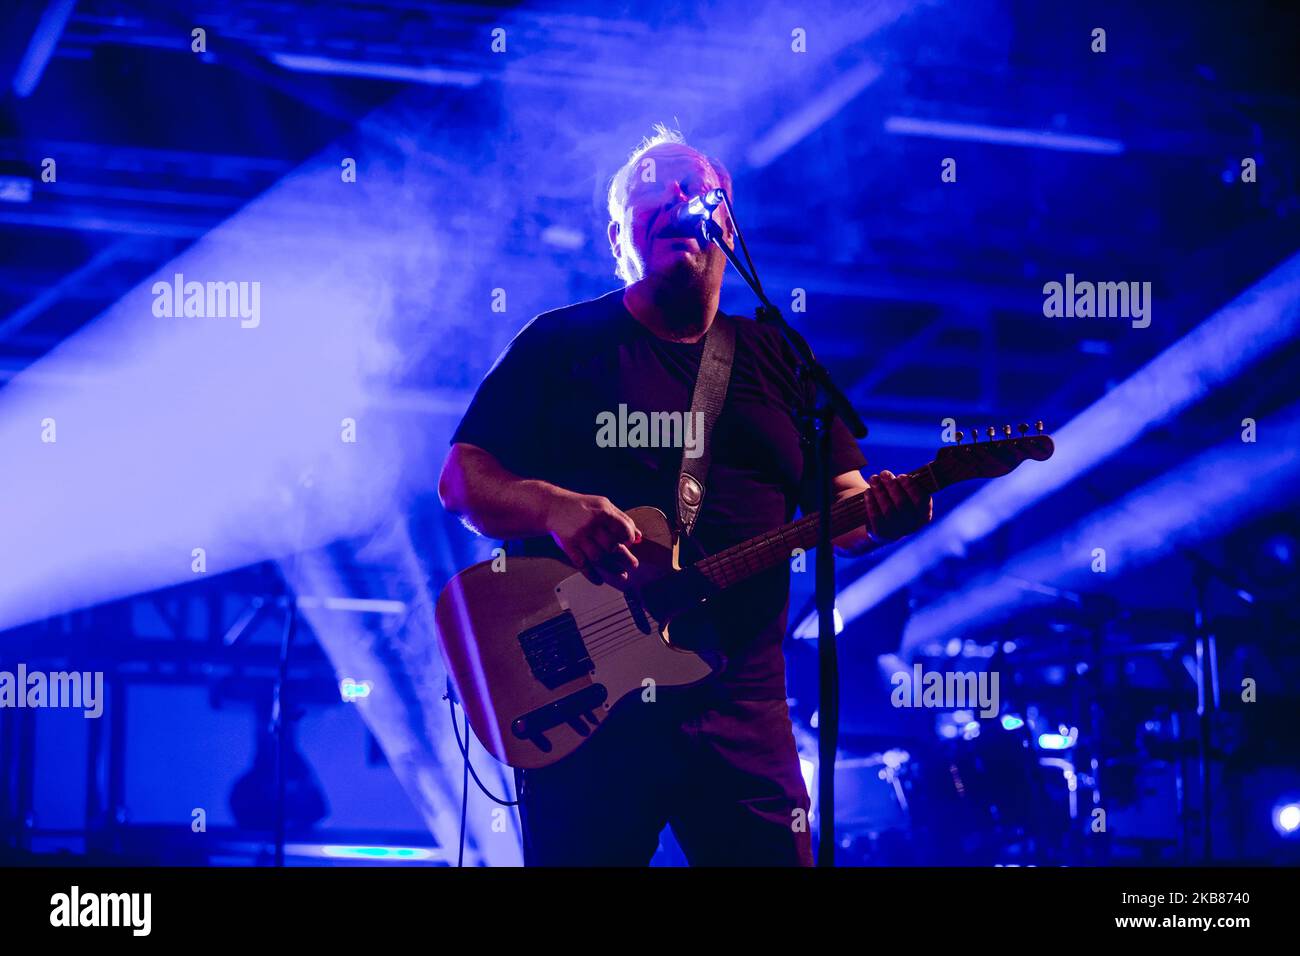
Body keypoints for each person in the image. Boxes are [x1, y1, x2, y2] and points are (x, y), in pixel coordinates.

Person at [438, 126, 932, 866]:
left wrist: (892, 512)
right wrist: (554, 507)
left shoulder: (779, 356)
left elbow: (844, 510)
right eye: (649, 188)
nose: (674, 197)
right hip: (588, 712)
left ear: (726, 222)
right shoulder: (561, 345)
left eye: (690, 185)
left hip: (743, 709)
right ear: (617, 237)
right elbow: (460, 480)